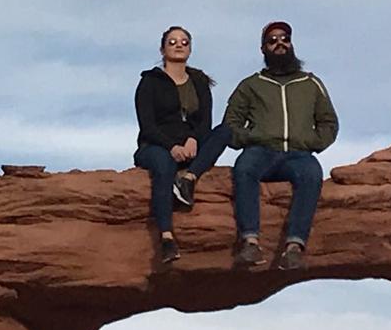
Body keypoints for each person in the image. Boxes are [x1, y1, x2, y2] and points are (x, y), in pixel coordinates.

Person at [223, 21, 338, 270]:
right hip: (261, 151)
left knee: (312, 174)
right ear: (263, 49)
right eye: (272, 40)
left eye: (284, 38)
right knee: (244, 168)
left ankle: (294, 247)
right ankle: (250, 242)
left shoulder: (310, 83)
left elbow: (328, 122)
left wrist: (311, 142)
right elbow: (230, 124)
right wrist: (252, 137)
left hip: (298, 154)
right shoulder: (251, 85)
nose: (280, 43)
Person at [133, 26, 231, 262]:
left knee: (225, 132)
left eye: (184, 42)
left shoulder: (199, 81)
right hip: (155, 146)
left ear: (190, 48)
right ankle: (166, 237)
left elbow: (205, 121)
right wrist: (172, 147)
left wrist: (193, 139)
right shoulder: (150, 81)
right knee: (164, 166)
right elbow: (148, 125)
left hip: (190, 145)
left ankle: (188, 179)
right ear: (162, 48)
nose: (179, 45)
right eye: (173, 41)